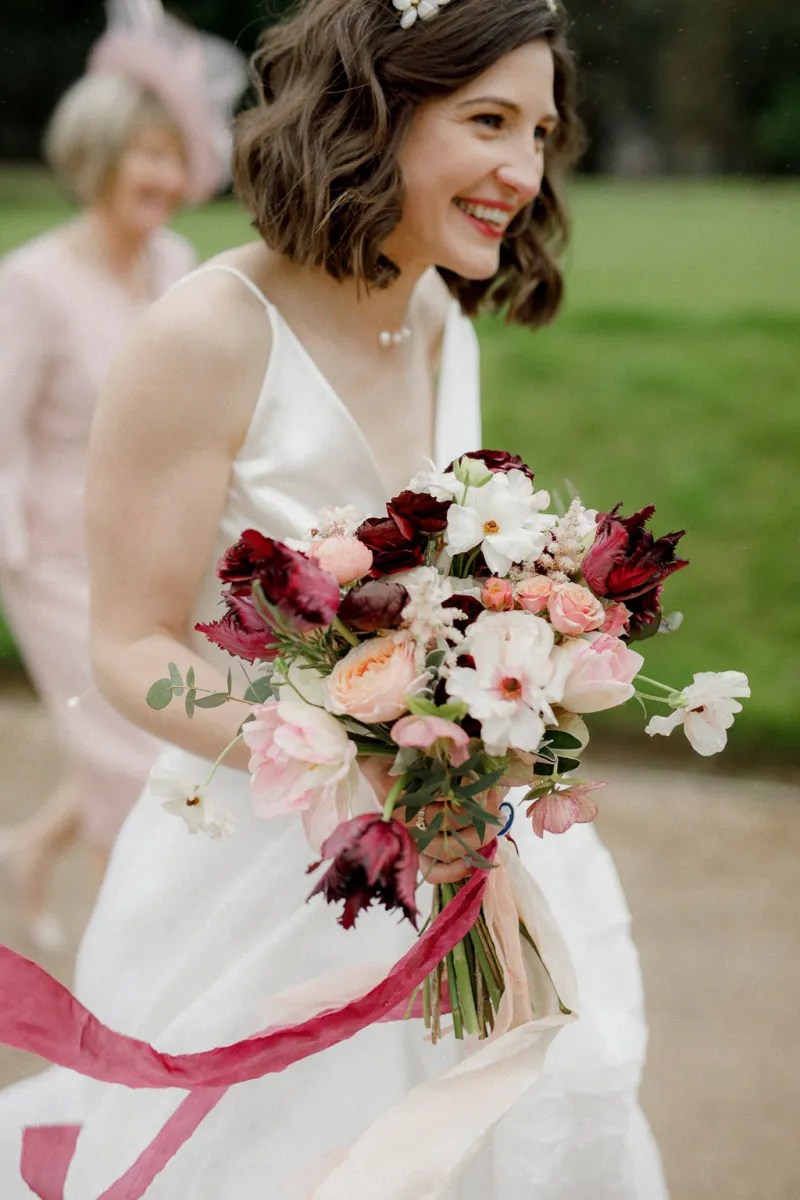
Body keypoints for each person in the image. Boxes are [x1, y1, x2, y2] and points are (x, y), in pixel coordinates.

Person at [0, 0, 669, 1195]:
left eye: (540, 131)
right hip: (266, 863)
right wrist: (348, 760)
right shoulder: (206, 332)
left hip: (470, 839)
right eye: (487, 121)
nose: (522, 170)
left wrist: (503, 682)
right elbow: (130, 644)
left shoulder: (432, 312)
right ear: (376, 111)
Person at [0, 2, 246, 949]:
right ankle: (130, 979)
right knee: (129, 759)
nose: (163, 175)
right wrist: (20, 565)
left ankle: (31, 846)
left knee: (158, 734)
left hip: (160, 554)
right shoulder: (31, 283)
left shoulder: (176, 264)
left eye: (173, 154)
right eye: (143, 154)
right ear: (97, 158)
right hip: (58, 564)